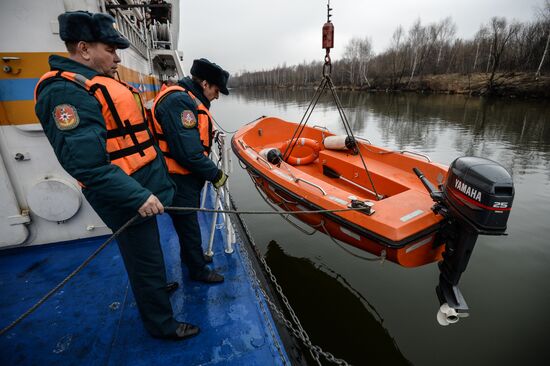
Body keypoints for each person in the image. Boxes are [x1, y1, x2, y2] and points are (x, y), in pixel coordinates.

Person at [34, 11, 198, 340]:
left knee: (145, 250)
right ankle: (162, 324)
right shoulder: (66, 94)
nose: (117, 56)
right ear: (83, 48)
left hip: (135, 183)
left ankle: (152, 287)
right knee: (145, 256)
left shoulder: (94, 83)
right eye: (110, 48)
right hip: (123, 193)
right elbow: (87, 166)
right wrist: (138, 196)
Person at [150, 58, 229, 283]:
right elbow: (188, 153)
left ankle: (191, 257)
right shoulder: (179, 102)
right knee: (188, 225)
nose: (217, 95)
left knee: (188, 222)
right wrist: (216, 175)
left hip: (184, 176)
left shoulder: (187, 98)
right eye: (216, 89)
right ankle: (197, 270)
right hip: (177, 177)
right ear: (204, 84)